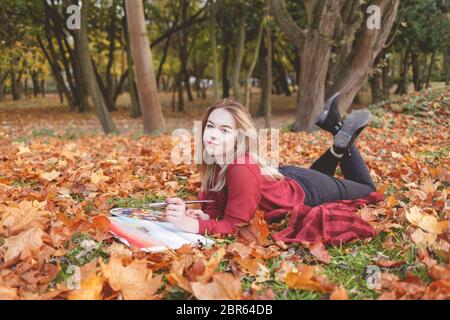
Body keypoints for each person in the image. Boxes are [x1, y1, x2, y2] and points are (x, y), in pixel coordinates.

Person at [164, 93, 377, 238]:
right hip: (287, 179)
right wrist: (207, 215)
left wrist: (191, 225)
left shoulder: (240, 167)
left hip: (306, 190)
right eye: (210, 126)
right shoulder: (213, 161)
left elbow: (235, 225)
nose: (212, 134)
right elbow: (216, 202)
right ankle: (336, 128)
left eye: (224, 130)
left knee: (367, 189)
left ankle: (338, 133)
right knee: (321, 176)